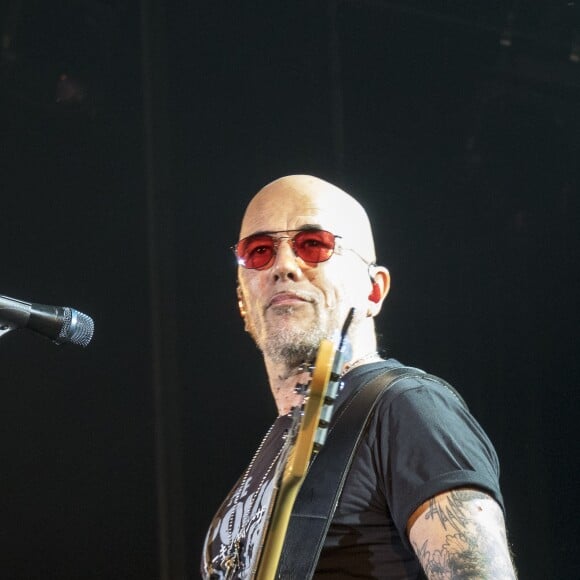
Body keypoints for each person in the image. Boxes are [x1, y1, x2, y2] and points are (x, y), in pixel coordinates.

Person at [202, 175, 517, 579]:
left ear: (374, 291)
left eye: (312, 245)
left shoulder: (406, 407)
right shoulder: (269, 456)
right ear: (244, 301)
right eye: (259, 252)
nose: (283, 266)